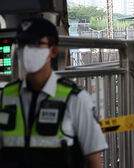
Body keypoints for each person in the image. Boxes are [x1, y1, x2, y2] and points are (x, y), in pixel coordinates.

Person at [0, 17, 108, 168]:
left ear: (53, 51)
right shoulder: (5, 97)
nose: (27, 50)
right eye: (23, 44)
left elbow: (93, 161)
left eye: (36, 43)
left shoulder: (75, 99)